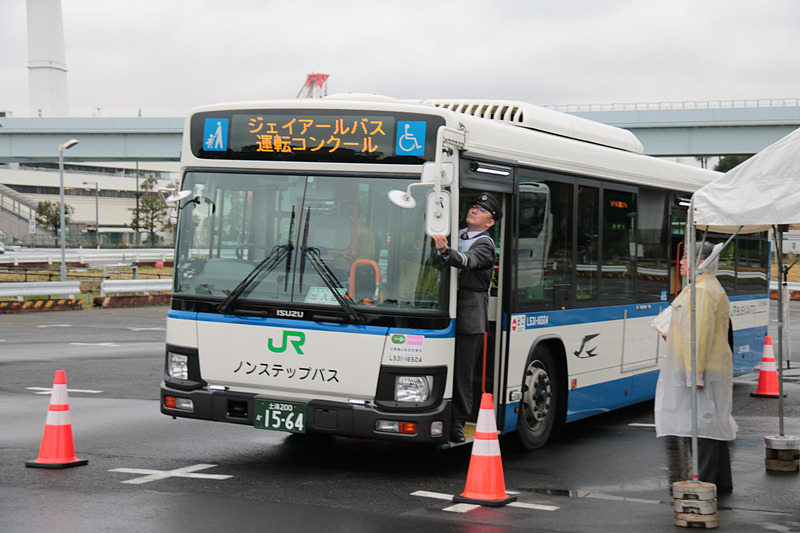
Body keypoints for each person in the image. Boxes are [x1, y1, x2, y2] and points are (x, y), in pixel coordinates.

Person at [654, 241, 736, 493]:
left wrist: (694, 372)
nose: (680, 262)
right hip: (708, 366)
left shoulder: (700, 292)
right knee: (712, 423)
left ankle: (704, 483)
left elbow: (697, 335)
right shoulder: (706, 287)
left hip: (701, 369)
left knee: (701, 427)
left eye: (685, 257)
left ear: (701, 262)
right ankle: (719, 481)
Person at [432, 192, 502, 443]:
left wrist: (444, 250)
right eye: (473, 207)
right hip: (447, 309)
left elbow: (467, 261)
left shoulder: (485, 243)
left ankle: (457, 425)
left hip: (470, 313)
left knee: (463, 373)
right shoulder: (459, 233)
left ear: (490, 222)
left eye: (481, 210)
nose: (474, 210)